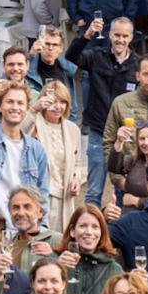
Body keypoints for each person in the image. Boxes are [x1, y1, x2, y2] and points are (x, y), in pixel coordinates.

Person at [67, 17, 141, 209]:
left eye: (125, 36)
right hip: (98, 132)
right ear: (109, 35)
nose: (120, 40)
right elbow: (72, 56)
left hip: (126, 137)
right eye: (117, 35)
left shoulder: (138, 65)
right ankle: (90, 232)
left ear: (131, 38)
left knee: (124, 192)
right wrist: (87, 35)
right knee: (93, 191)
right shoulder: (96, 56)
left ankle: (120, 233)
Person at [24, 80, 86, 233]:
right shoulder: (34, 123)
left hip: (65, 197)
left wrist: (76, 179)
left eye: (63, 102)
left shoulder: (72, 129)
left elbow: (77, 162)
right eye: (53, 101)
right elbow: (18, 135)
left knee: (60, 244)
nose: (58, 107)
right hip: (38, 195)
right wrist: (34, 110)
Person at [55, 204, 126, 294]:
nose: (89, 232)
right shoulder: (56, 262)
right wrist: (56, 270)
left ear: (101, 232)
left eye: (95, 227)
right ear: (72, 231)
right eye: (83, 226)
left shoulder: (114, 270)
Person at [26, 28, 81, 122]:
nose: (50, 48)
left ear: (61, 48)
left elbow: (72, 108)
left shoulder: (67, 71)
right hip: (35, 125)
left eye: (55, 45)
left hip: (59, 127)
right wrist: (30, 55)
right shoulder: (28, 70)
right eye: (47, 44)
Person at [3, 185, 60, 272]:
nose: (21, 213)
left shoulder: (57, 241)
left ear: (40, 213)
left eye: (27, 207)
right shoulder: (7, 245)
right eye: (16, 207)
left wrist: (53, 257)